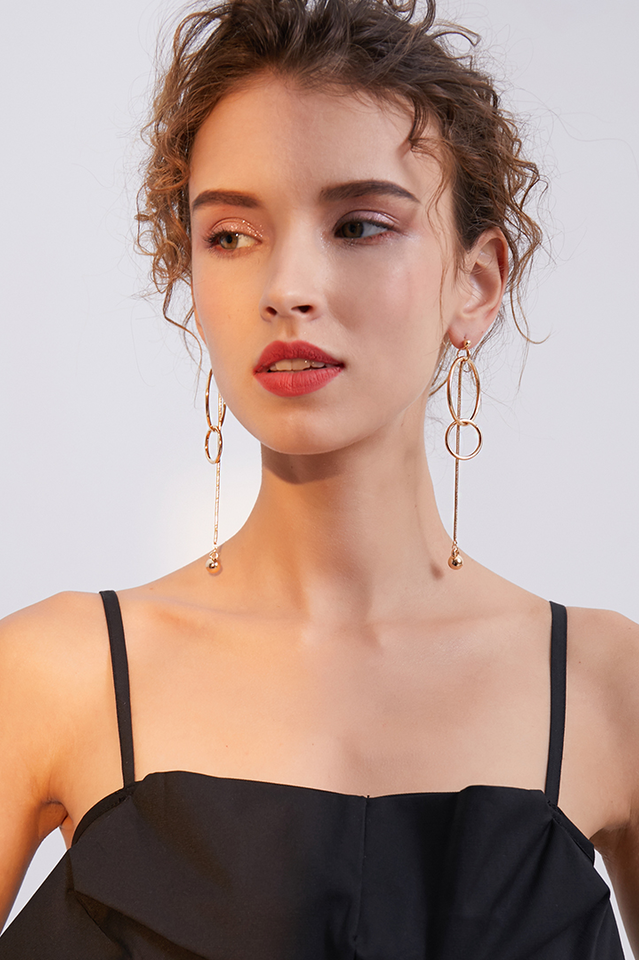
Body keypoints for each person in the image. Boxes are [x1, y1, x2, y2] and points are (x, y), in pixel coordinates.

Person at [1, 0, 638, 955]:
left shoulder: (606, 690)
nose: (287, 287)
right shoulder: (56, 675)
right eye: (230, 235)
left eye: (359, 225)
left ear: (475, 283)